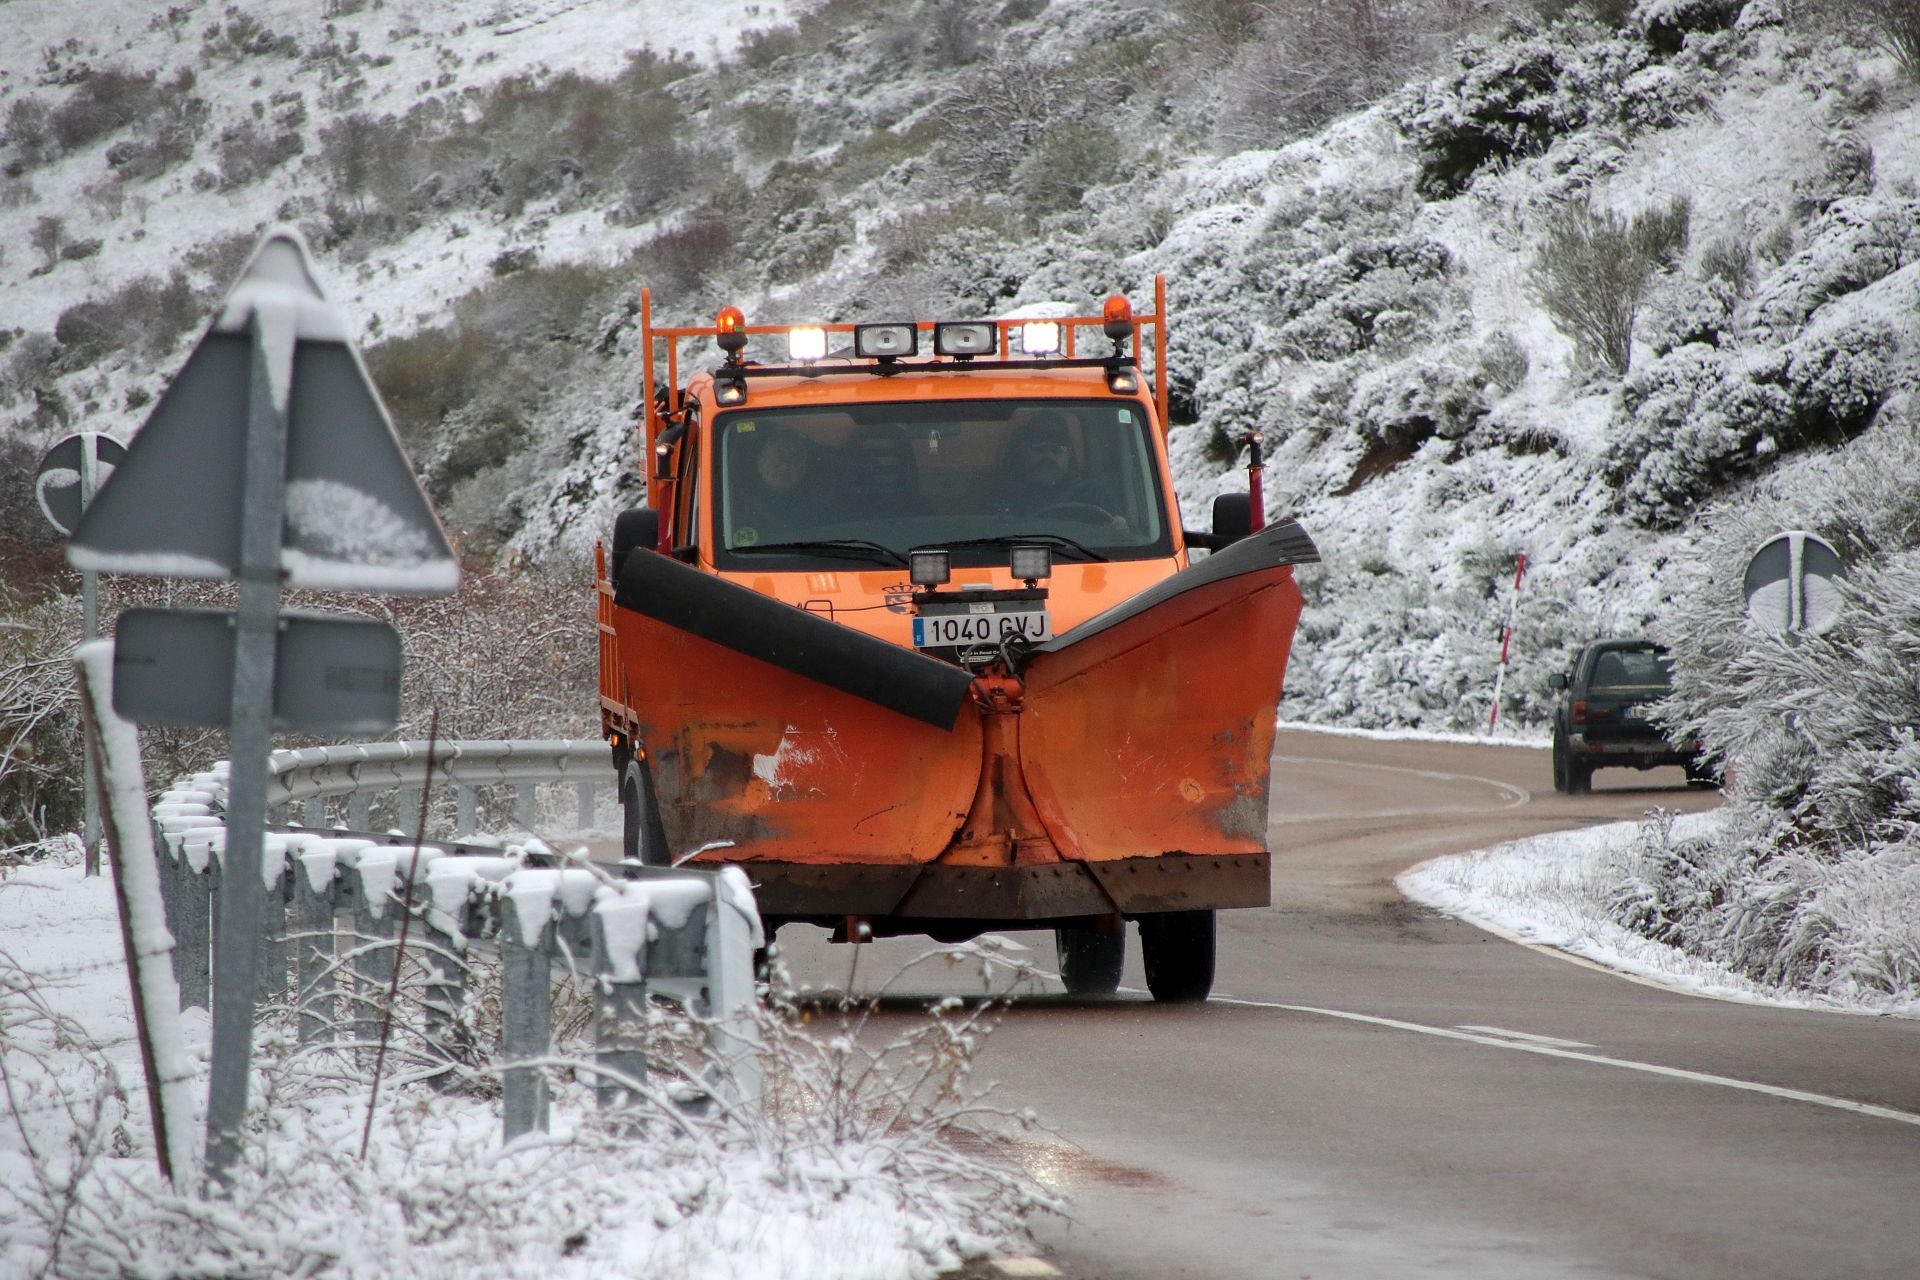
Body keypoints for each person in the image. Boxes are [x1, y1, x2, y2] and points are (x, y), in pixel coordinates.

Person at [998, 410, 1129, 534]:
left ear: (1069, 454)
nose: (1048, 457)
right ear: (1022, 452)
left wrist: (1120, 528)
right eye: (1038, 449)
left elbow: (1124, 538)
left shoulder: (1093, 494)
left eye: (1057, 450)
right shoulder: (1004, 494)